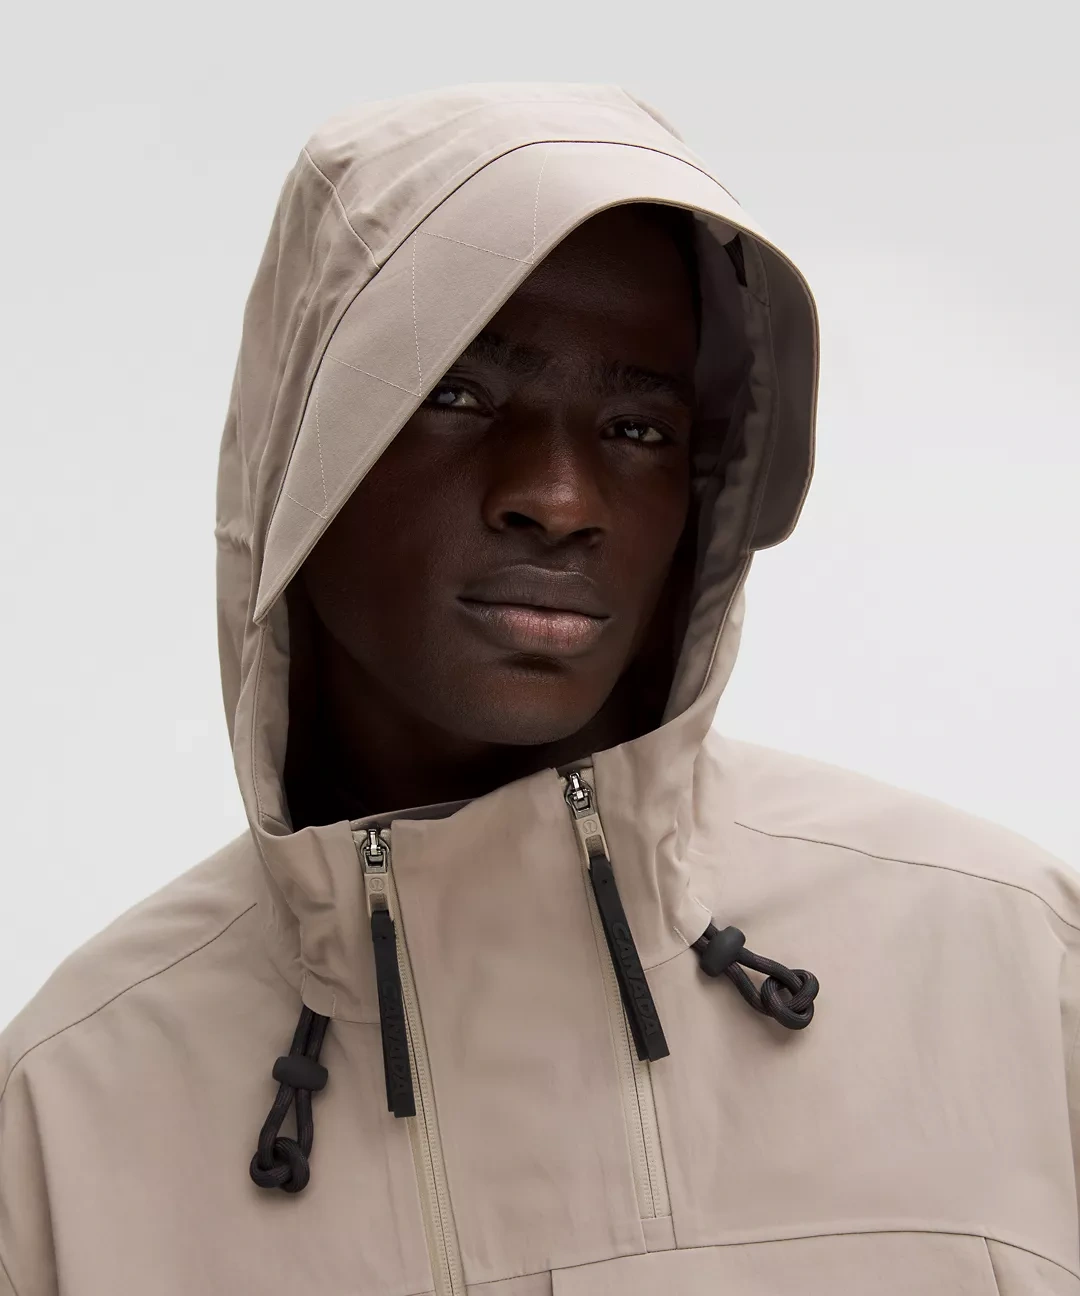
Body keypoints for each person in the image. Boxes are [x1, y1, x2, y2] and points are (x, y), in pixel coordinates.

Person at [1, 82, 1077, 1296]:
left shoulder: (1014, 974)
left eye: (639, 427)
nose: (559, 500)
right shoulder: (67, 1127)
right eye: (455, 395)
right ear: (295, 451)